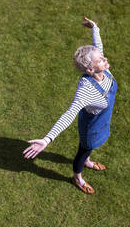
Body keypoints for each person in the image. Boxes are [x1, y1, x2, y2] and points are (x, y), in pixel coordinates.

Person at [23, 17, 117, 194]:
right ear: (90, 70)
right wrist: (46, 139)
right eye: (100, 60)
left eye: (102, 57)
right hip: (92, 127)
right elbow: (69, 113)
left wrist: (95, 28)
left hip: (103, 120)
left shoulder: (103, 69)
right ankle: (77, 177)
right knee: (84, 149)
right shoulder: (86, 90)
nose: (105, 59)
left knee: (90, 149)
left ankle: (88, 161)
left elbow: (99, 47)